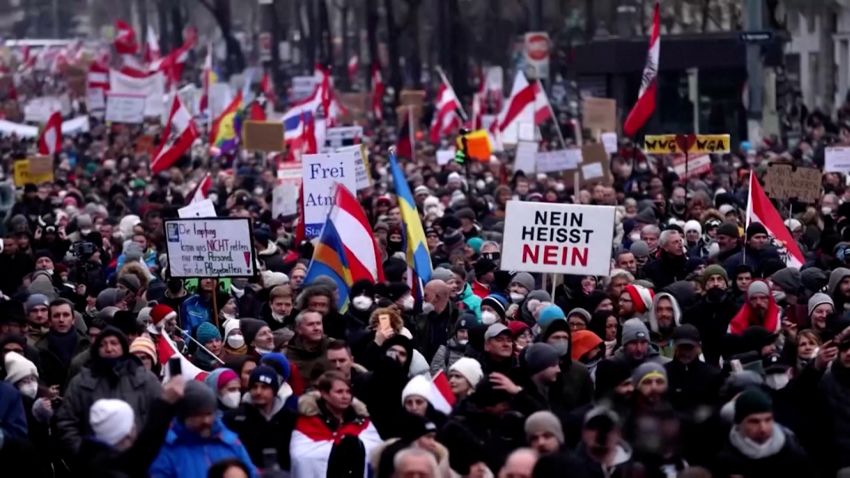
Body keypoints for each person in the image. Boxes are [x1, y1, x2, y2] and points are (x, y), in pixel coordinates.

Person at [56, 326, 162, 456]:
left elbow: (162, 417)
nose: (109, 348)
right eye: (103, 344)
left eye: (114, 343)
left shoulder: (145, 379)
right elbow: (66, 421)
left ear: (124, 347)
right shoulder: (81, 382)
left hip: (140, 461)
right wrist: (83, 453)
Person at [74, 377, 186, 478]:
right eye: (132, 424)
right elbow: (142, 453)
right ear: (126, 434)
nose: (136, 428)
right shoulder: (114, 471)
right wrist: (164, 405)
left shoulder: (90, 456)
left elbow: (142, 452)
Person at [149, 380, 258, 478]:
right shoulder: (168, 448)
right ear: (184, 415)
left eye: (209, 414)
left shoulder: (230, 442)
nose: (206, 420)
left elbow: (251, 473)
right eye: (198, 415)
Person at [289, 371, 382, 477]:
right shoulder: (305, 422)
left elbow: (376, 452)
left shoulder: (362, 422)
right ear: (324, 394)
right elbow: (301, 457)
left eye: (348, 392)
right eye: (339, 392)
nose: (345, 396)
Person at [715, 388, 809, 477]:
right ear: (739, 423)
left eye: (768, 420)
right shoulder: (725, 458)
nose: (763, 428)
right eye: (754, 421)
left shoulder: (793, 453)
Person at [223, 365, 297, 471]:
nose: (258, 392)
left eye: (264, 387)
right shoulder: (233, 418)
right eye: (254, 387)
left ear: (274, 390)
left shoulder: (289, 417)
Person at [664, 324, 722, 413]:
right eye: (681, 347)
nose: (685, 352)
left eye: (689, 347)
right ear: (674, 346)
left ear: (699, 347)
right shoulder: (663, 374)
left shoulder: (713, 376)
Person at [35, 298, 90, 390]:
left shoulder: (87, 345)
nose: (61, 319)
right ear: (49, 321)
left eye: (66, 315)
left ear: (73, 319)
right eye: (56, 316)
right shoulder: (39, 349)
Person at [286, 310, 331, 384]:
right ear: (299, 329)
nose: (316, 328)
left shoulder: (333, 347)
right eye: (310, 324)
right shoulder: (288, 354)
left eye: (318, 323)